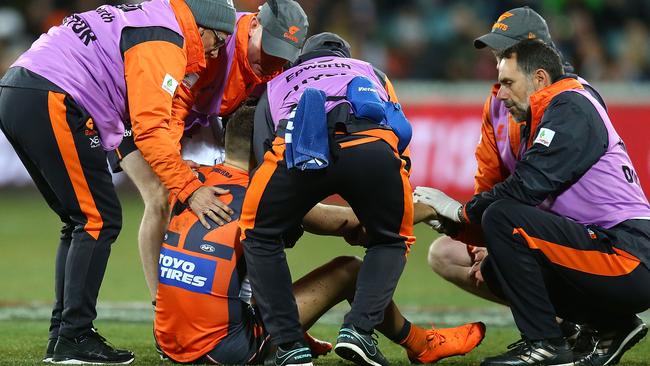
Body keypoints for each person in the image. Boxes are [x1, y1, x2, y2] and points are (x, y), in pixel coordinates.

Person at [155, 104, 486, 365]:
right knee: (350, 270)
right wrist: (427, 208)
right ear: (265, 143)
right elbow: (359, 227)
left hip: (168, 338)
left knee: (259, 253)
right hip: (225, 349)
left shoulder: (192, 183)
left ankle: (286, 330)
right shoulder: (262, 193)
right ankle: (420, 343)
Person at [0, 0, 236, 363]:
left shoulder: (155, 18)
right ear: (201, 27)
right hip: (54, 92)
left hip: (26, 88)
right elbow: (151, 129)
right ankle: (74, 336)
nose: (217, 50)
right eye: (218, 40)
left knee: (82, 220)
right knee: (97, 219)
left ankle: (65, 334)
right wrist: (190, 189)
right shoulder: (165, 40)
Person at [414, 39, 650, 366]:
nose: (500, 93)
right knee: (497, 267)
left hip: (629, 255)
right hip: (608, 248)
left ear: (539, 77)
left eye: (508, 82)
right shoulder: (550, 111)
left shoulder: (570, 105)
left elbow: (526, 188)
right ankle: (610, 325)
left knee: (502, 217)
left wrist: (460, 211)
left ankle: (546, 344)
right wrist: (460, 227)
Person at [106, 0, 309, 302]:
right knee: (161, 196)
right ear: (254, 25)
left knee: (236, 193)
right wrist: (174, 162)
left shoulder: (273, 66)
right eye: (268, 49)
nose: (272, 61)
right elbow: (171, 110)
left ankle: (242, 298)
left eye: (280, 55)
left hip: (195, 119)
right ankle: (162, 306)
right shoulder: (215, 42)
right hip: (141, 109)